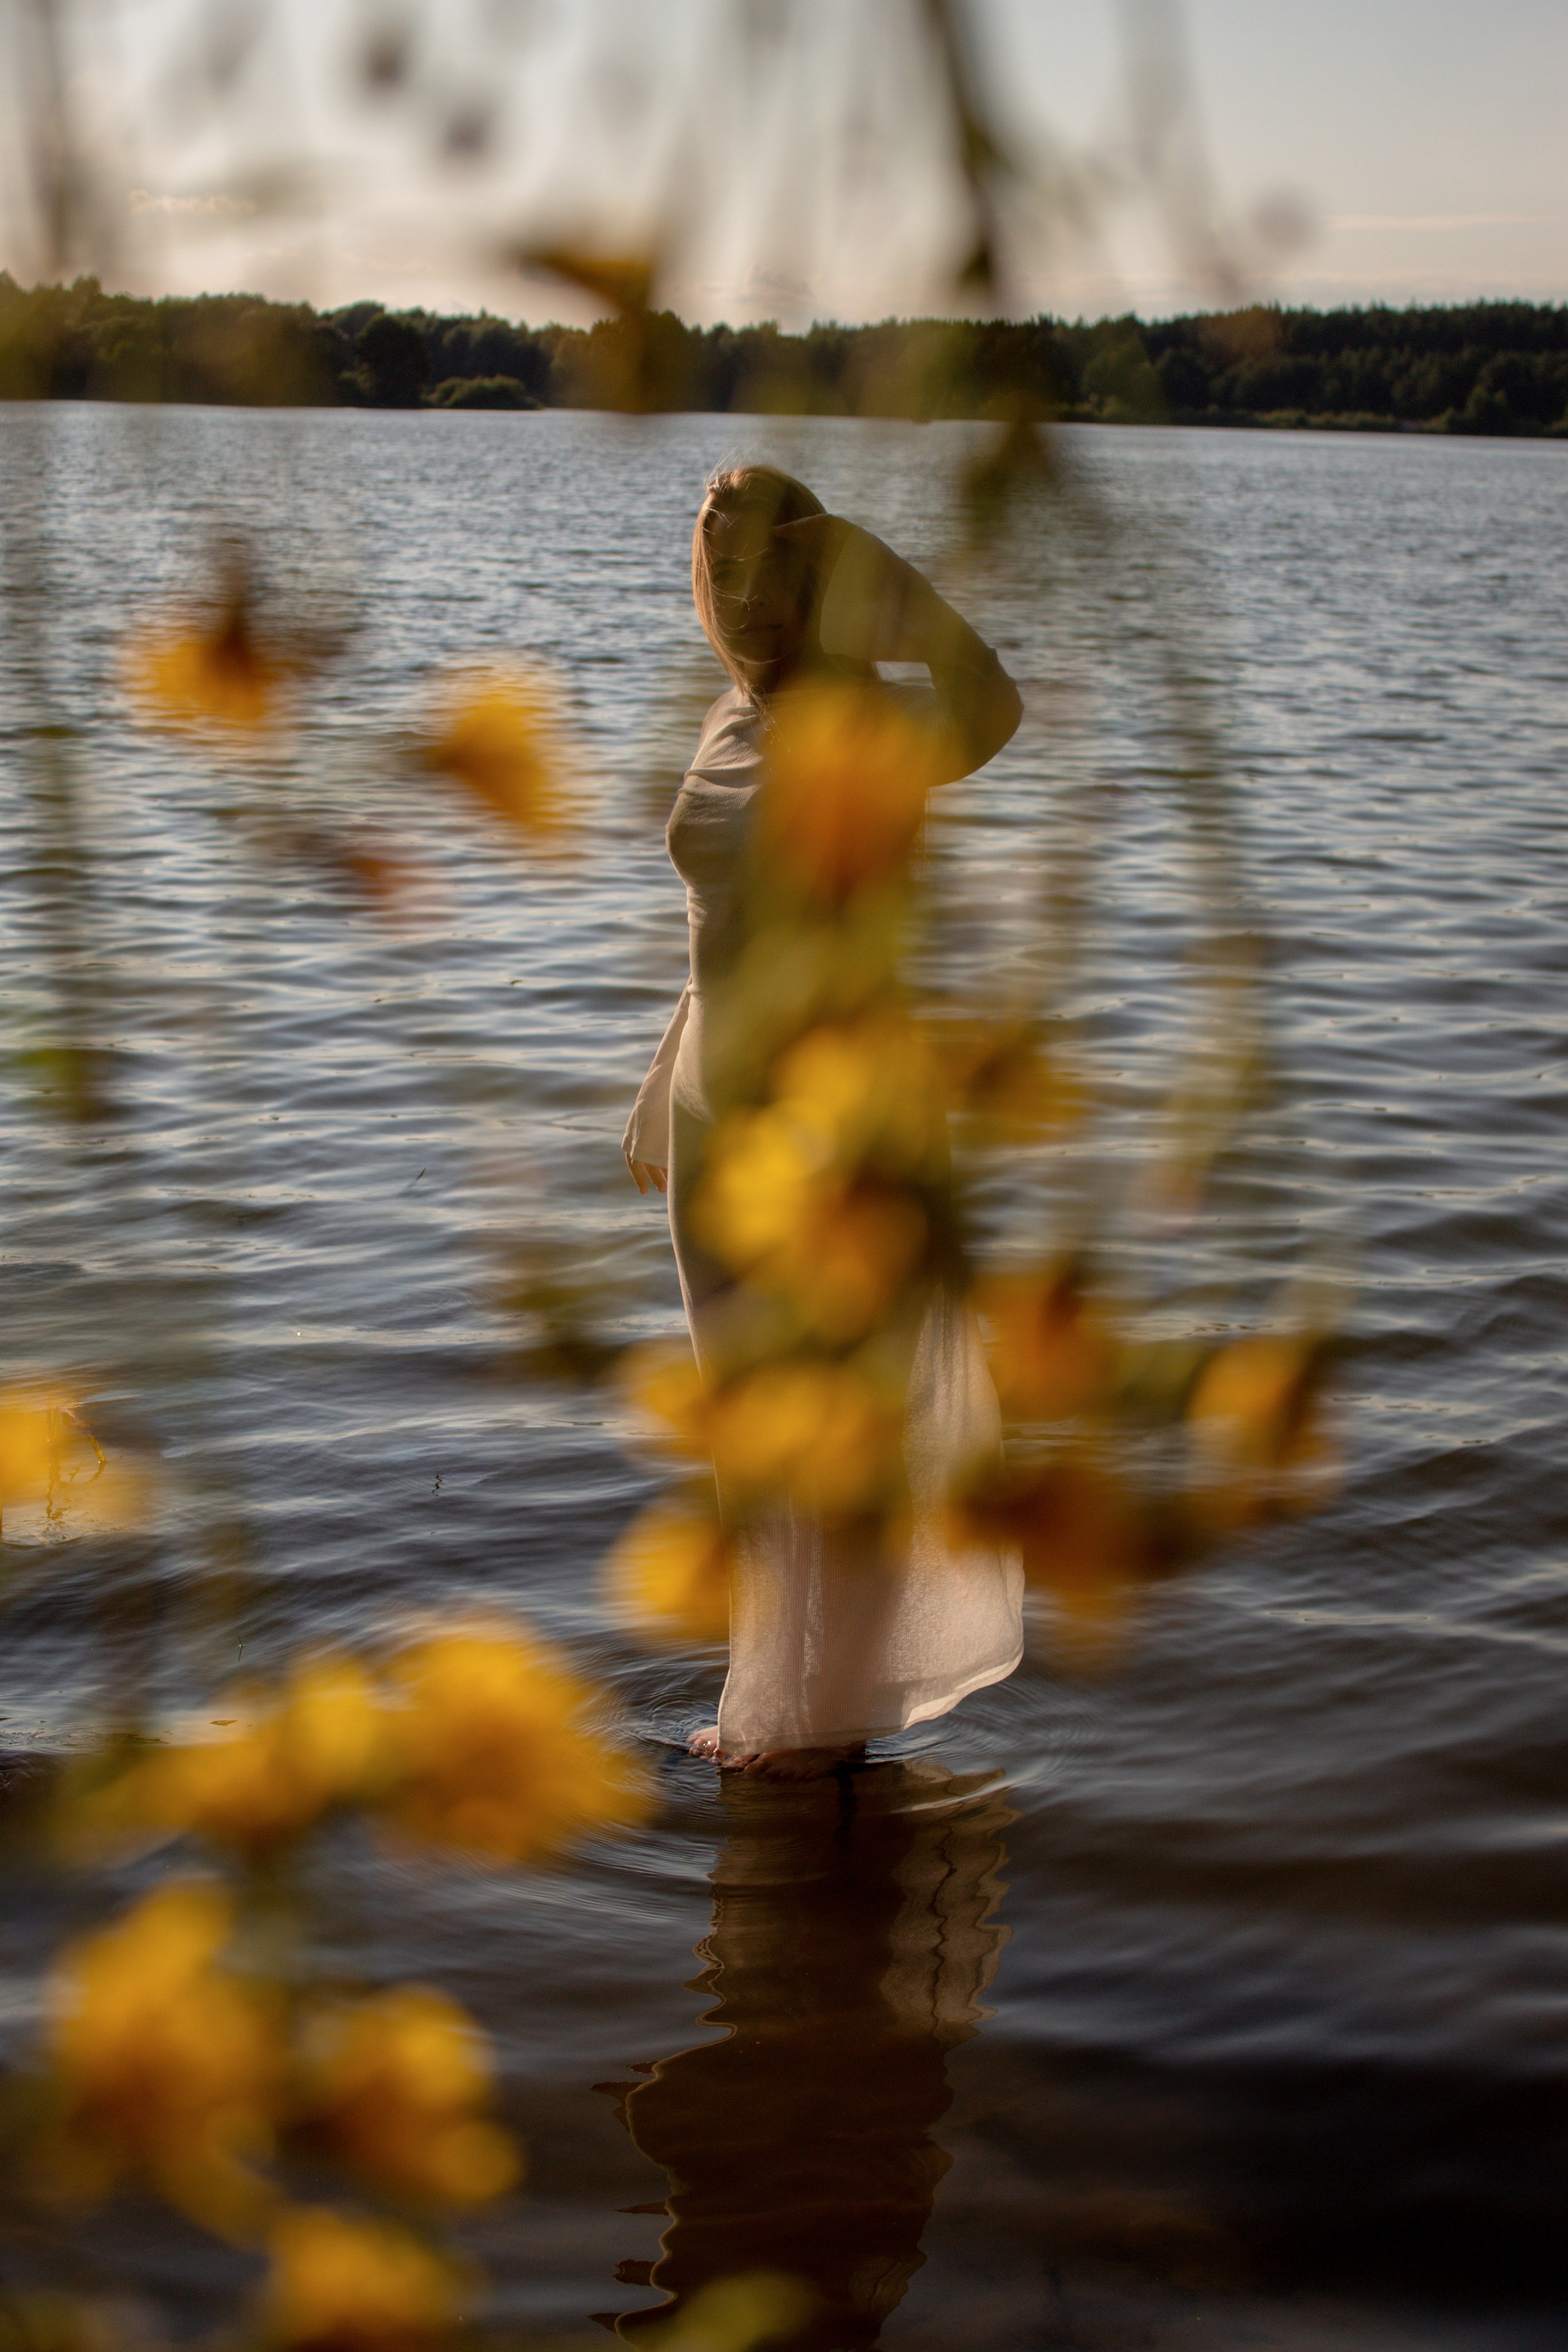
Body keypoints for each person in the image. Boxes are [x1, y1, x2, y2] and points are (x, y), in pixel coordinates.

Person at [623, 462, 1025, 1778]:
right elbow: (717, 934)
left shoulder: (867, 725)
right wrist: (658, 1080)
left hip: (823, 1142)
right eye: (712, 562)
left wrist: (895, 591)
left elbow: (994, 702)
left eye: (759, 564)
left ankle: (830, 1736)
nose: (732, 590)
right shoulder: (730, 714)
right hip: (709, 1121)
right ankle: (770, 1713)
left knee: (835, 1449)